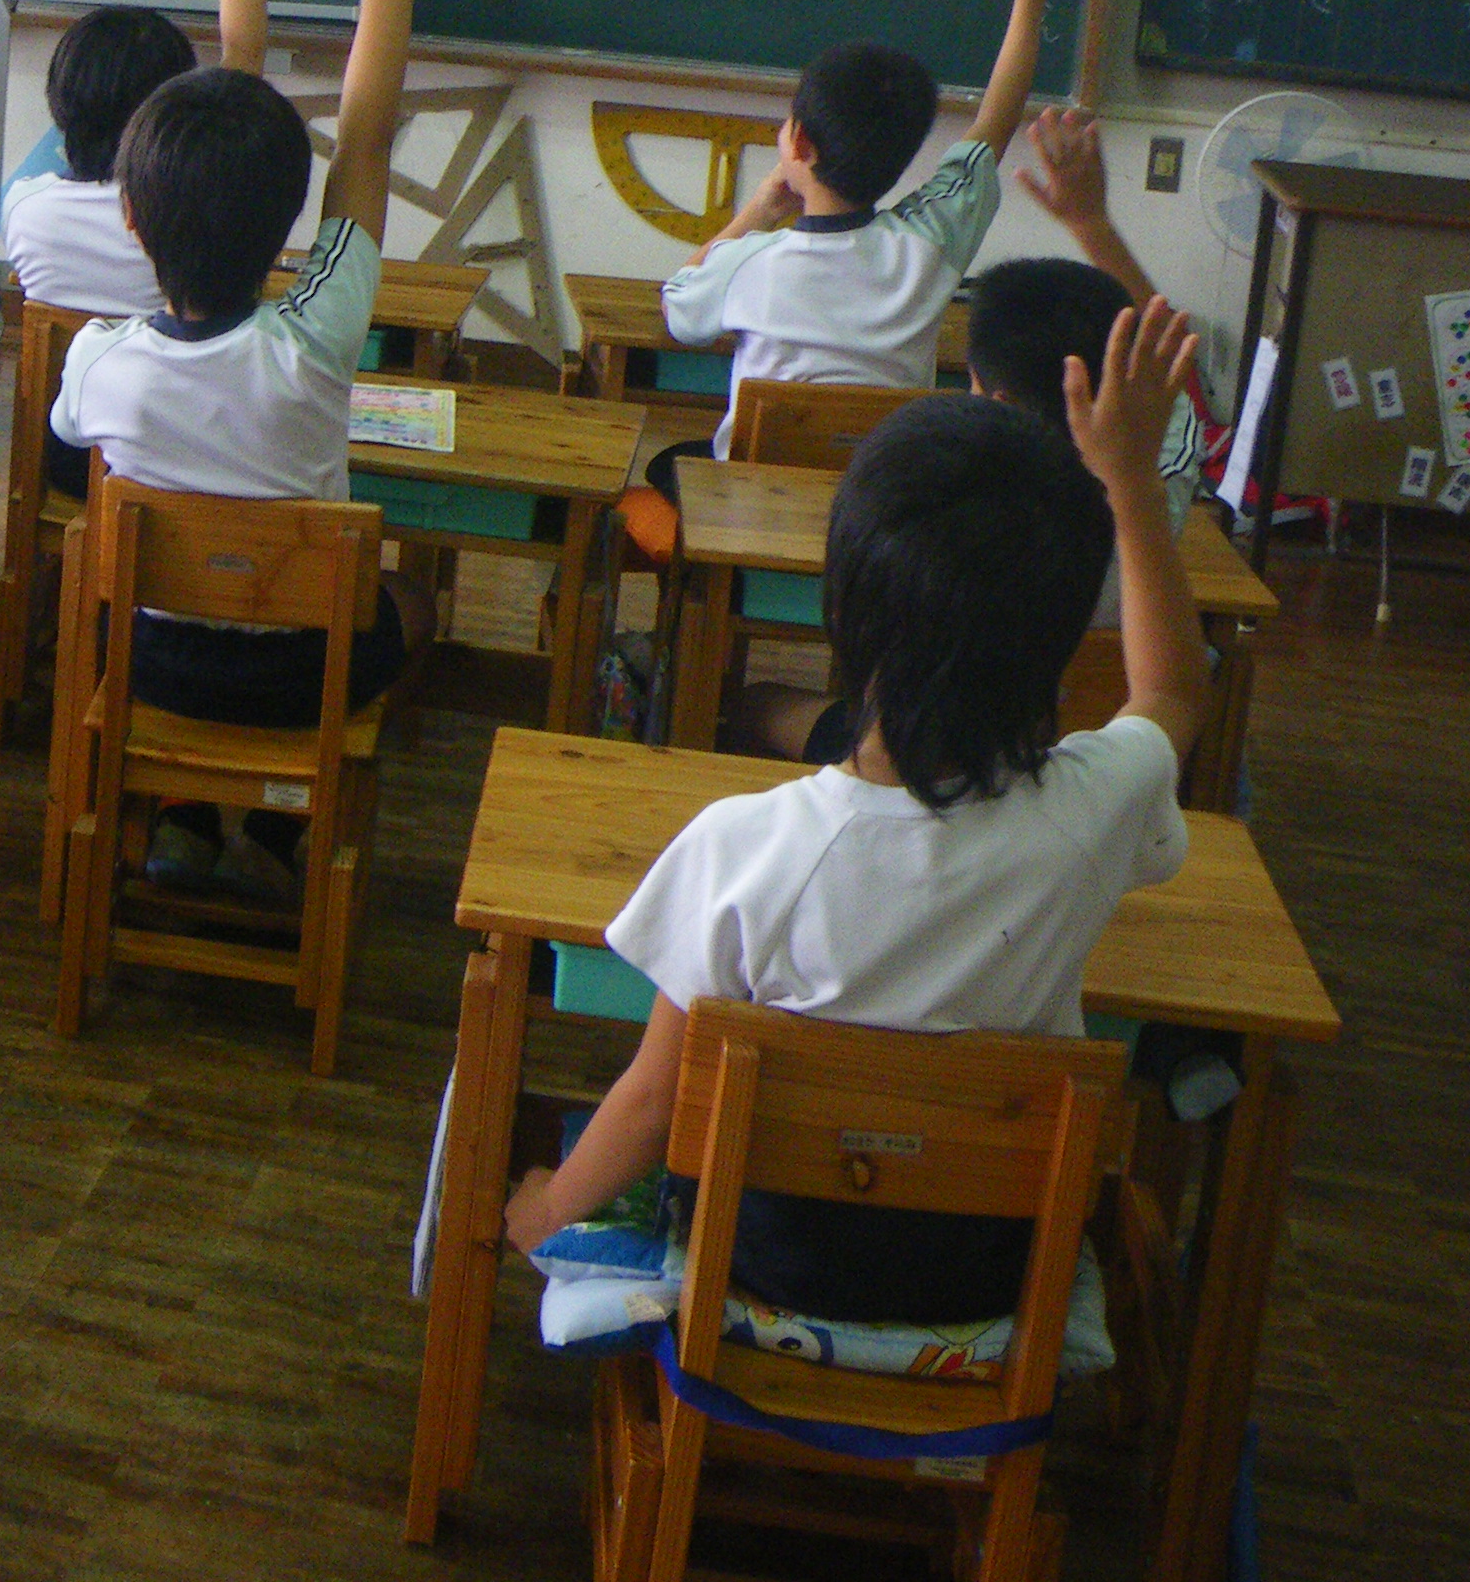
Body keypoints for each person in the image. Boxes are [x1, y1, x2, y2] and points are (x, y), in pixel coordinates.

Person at [505, 301, 1205, 1325]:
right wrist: (1133, 487)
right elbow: (1172, 692)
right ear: (1063, 635)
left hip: (763, 1270)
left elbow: (654, 1100)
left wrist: (545, 1212)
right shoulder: (1095, 812)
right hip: (986, 1278)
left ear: (844, 609)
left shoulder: (745, 845)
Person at [48, 0, 434, 899]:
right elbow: (365, 139)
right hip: (304, 676)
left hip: (154, 667)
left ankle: (179, 812)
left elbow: (68, 455)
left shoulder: (100, 360)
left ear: (131, 218)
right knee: (413, 607)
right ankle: (278, 827)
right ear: (288, 221)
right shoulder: (316, 337)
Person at [733, 106, 1209, 761]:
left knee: (752, 706)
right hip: (1083, 754)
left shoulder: (941, 519)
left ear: (997, 401)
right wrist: (1092, 225)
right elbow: (1166, 366)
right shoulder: (1151, 494)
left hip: (918, 754)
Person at [659, 0, 1096, 462]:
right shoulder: (930, 241)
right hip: (885, 495)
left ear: (800, 144)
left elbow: (678, 305)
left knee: (670, 460)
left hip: (754, 493)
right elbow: (996, 122)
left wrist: (760, 211)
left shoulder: (748, 263)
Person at [5, 0, 287, 345]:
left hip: (68, 395)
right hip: (173, 393)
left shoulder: (24, 207)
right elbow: (244, 54)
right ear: (170, 114)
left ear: (61, 102)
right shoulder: (186, 221)